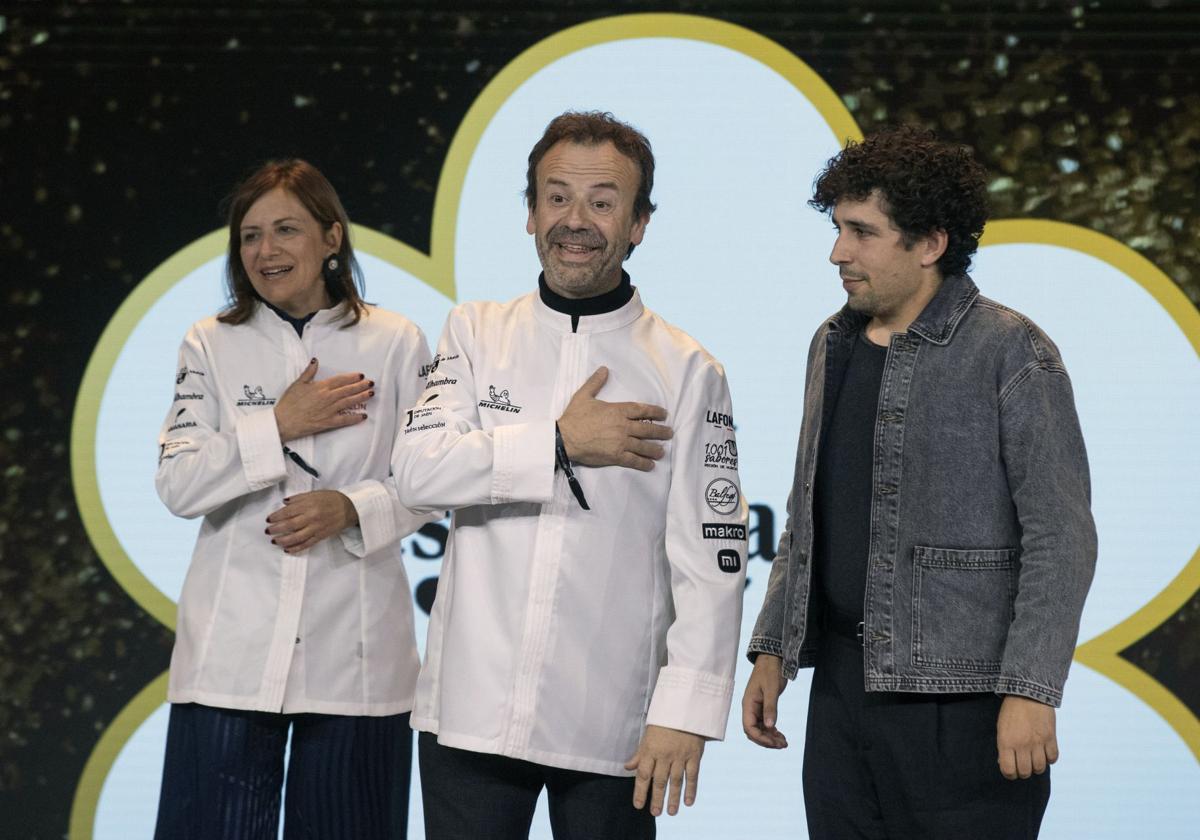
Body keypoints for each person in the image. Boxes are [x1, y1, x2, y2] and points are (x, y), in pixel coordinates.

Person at [391, 111, 748, 839]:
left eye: (602, 201)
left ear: (640, 223)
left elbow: (713, 557)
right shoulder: (474, 331)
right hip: (470, 712)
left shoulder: (688, 369)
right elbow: (415, 474)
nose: (575, 220)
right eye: (556, 198)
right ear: (529, 214)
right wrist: (554, 443)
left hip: (613, 722)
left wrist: (684, 710)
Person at [742, 126, 1097, 839]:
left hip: (963, 704)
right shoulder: (831, 342)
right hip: (842, 697)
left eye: (861, 232)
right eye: (839, 228)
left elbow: (1061, 539)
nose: (838, 251)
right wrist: (774, 647)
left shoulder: (1012, 350)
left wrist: (1031, 690)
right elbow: (807, 514)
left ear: (930, 243)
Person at [152, 159, 432, 839]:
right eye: (249, 236)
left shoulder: (396, 341)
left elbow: (432, 484)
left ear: (332, 237)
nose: (265, 251)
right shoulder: (210, 343)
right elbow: (178, 484)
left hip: (357, 663)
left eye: (286, 230)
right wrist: (277, 425)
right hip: (229, 662)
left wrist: (353, 509)